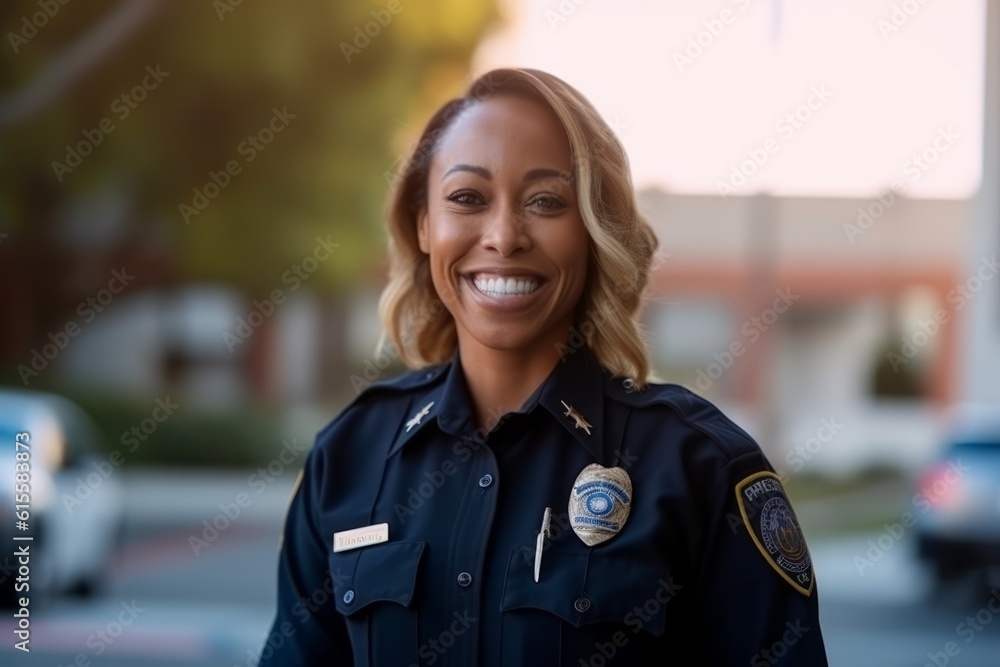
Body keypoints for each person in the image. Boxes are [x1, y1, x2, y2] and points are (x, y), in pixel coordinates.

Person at [258, 67, 829, 666]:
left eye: (546, 202)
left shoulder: (700, 466)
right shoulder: (349, 455)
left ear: (592, 230)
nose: (504, 236)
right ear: (424, 225)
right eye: (467, 198)